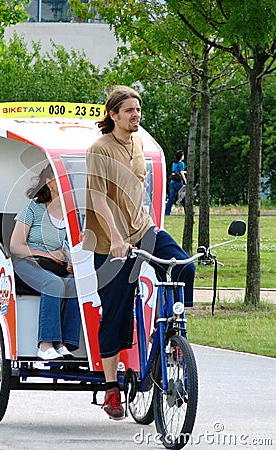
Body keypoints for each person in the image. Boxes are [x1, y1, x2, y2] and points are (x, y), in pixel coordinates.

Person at [83, 86, 195, 420]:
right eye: (129, 111)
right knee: (115, 315)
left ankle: (169, 331)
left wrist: (147, 226)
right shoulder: (99, 150)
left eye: (138, 110)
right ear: (113, 114)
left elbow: (139, 192)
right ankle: (112, 390)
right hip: (109, 243)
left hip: (143, 230)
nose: (136, 115)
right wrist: (117, 238)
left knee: (183, 265)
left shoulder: (138, 143)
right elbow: (98, 199)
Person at [10, 164, 81, 360]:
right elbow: (15, 246)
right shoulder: (34, 207)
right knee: (53, 284)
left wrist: (69, 261)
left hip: (53, 267)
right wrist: (48, 254)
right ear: (50, 183)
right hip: (27, 264)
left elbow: (69, 245)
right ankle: (45, 345)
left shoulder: (69, 213)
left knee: (76, 284)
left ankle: (64, 344)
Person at [165, 151, 187, 216]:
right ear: (181, 156)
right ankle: (187, 211)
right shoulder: (181, 164)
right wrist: (185, 180)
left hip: (172, 182)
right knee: (183, 196)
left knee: (171, 198)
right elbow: (181, 172)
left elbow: (176, 171)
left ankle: (167, 212)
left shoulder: (174, 163)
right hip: (178, 182)